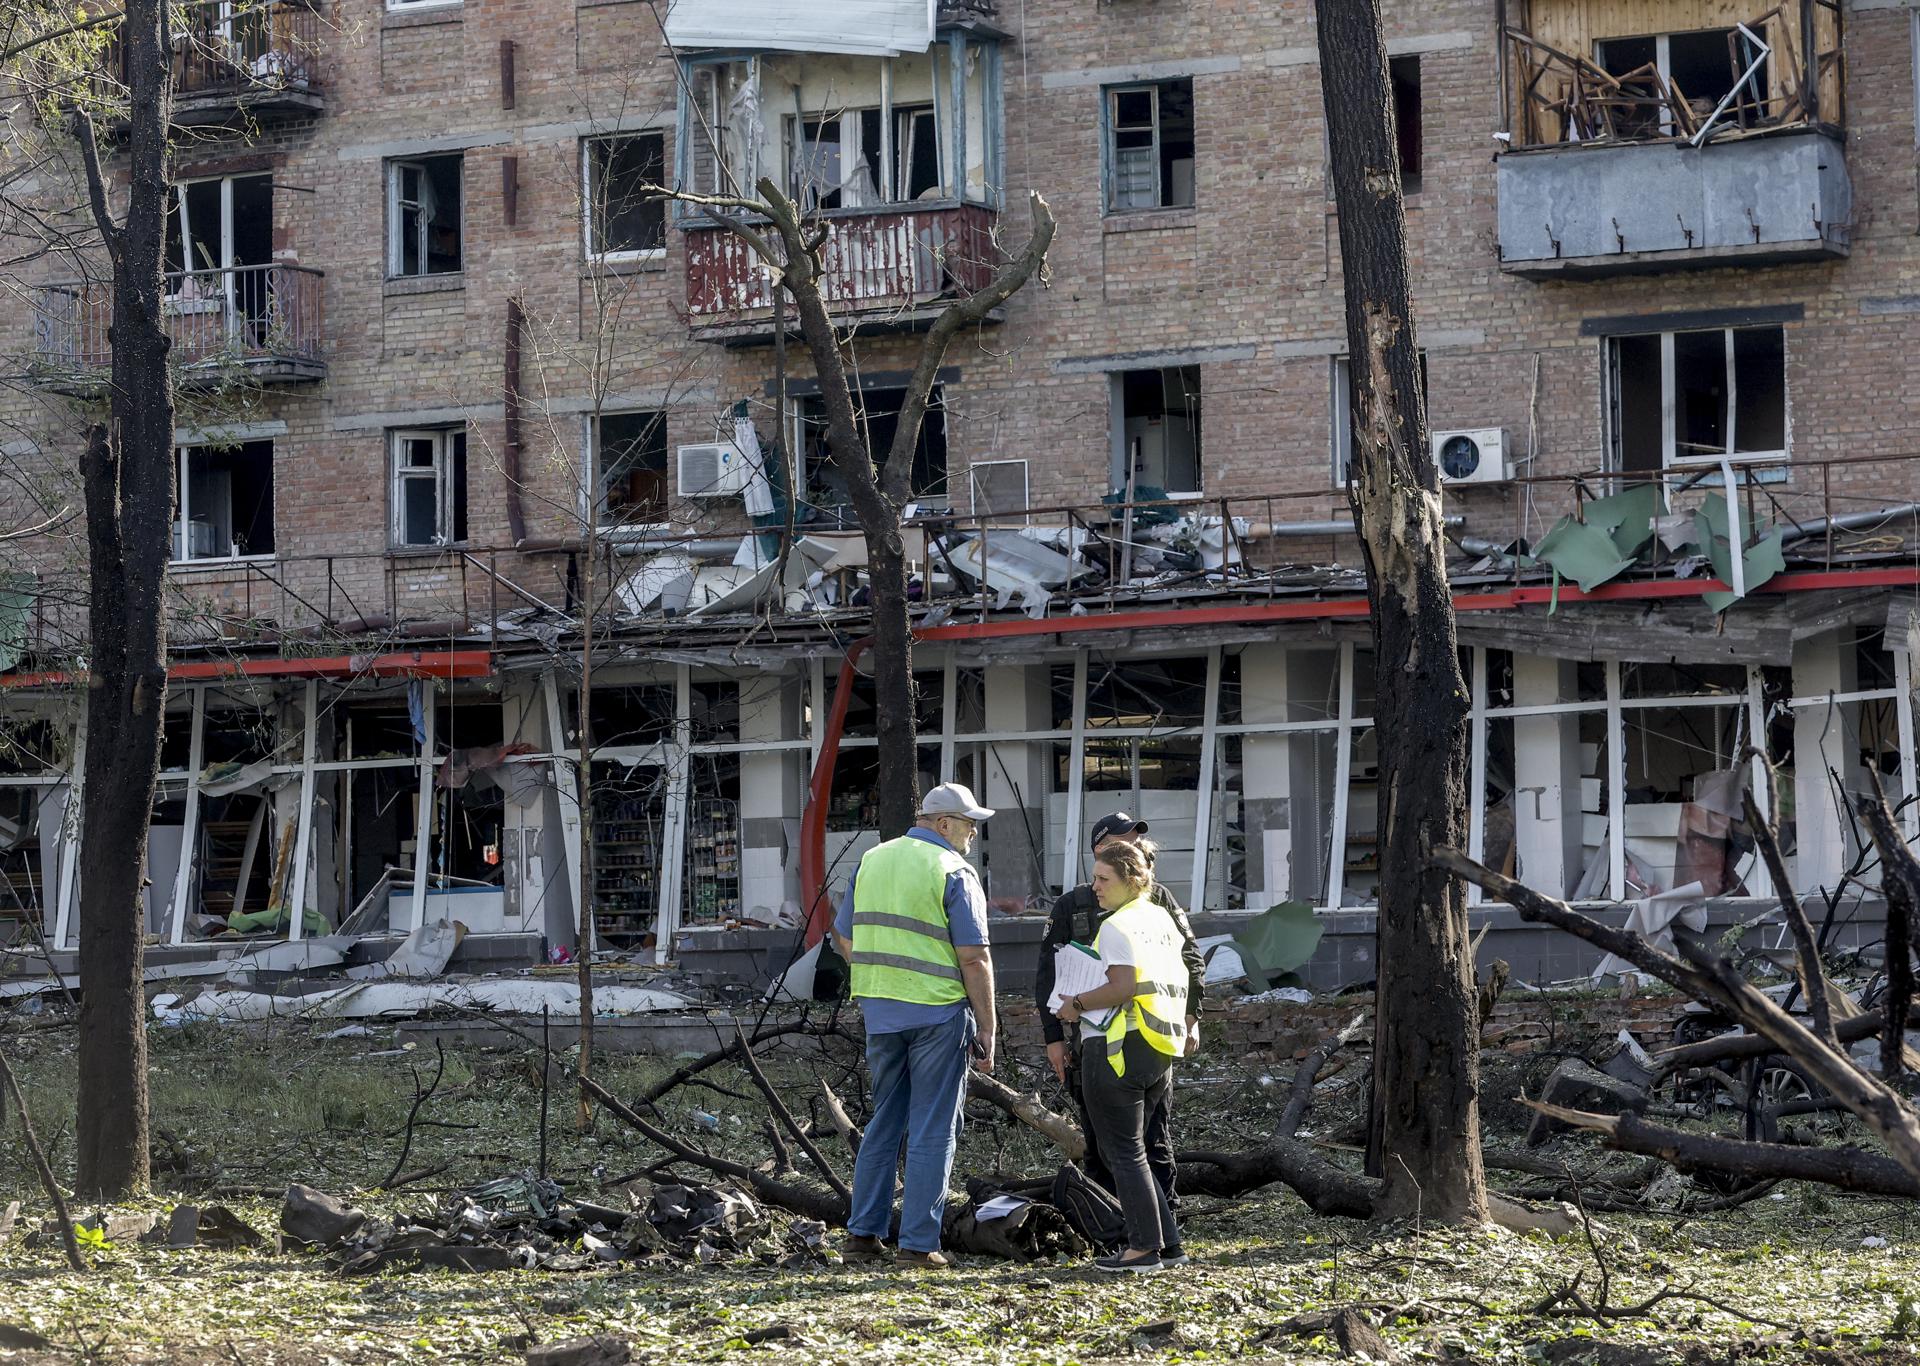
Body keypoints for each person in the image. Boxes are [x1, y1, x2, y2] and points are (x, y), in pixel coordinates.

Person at [832, 782, 998, 1270]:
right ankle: (918, 1244)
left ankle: (862, 1235)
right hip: (938, 1014)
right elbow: (974, 959)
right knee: (933, 1128)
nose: (972, 834)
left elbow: (842, 934)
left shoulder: (873, 860)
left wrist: (882, 977)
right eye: (969, 824)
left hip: (881, 1014)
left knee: (885, 1120)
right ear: (944, 824)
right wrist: (987, 1028)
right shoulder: (954, 869)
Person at [1034, 811, 1203, 1199]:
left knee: (1153, 1136)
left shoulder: (1157, 901)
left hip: (1148, 1038)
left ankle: (1161, 1223)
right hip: (1093, 1041)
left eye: (1136, 843)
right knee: (1101, 1139)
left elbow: (1190, 959)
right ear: (1098, 851)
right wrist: (1054, 1039)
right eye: (1122, 843)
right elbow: (1048, 976)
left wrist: (1191, 1017)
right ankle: (1112, 1225)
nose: (1134, 849)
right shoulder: (1073, 904)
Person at [1054, 839, 1191, 1272]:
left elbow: (1122, 988)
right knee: (1138, 1152)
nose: (1094, 886)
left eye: (1103, 878)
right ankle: (1168, 1245)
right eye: (1094, 877)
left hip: (1116, 1049)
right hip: (1158, 1049)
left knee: (1123, 1153)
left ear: (1131, 880)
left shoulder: (1115, 926)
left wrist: (1074, 1004)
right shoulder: (1161, 919)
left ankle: (1143, 1248)